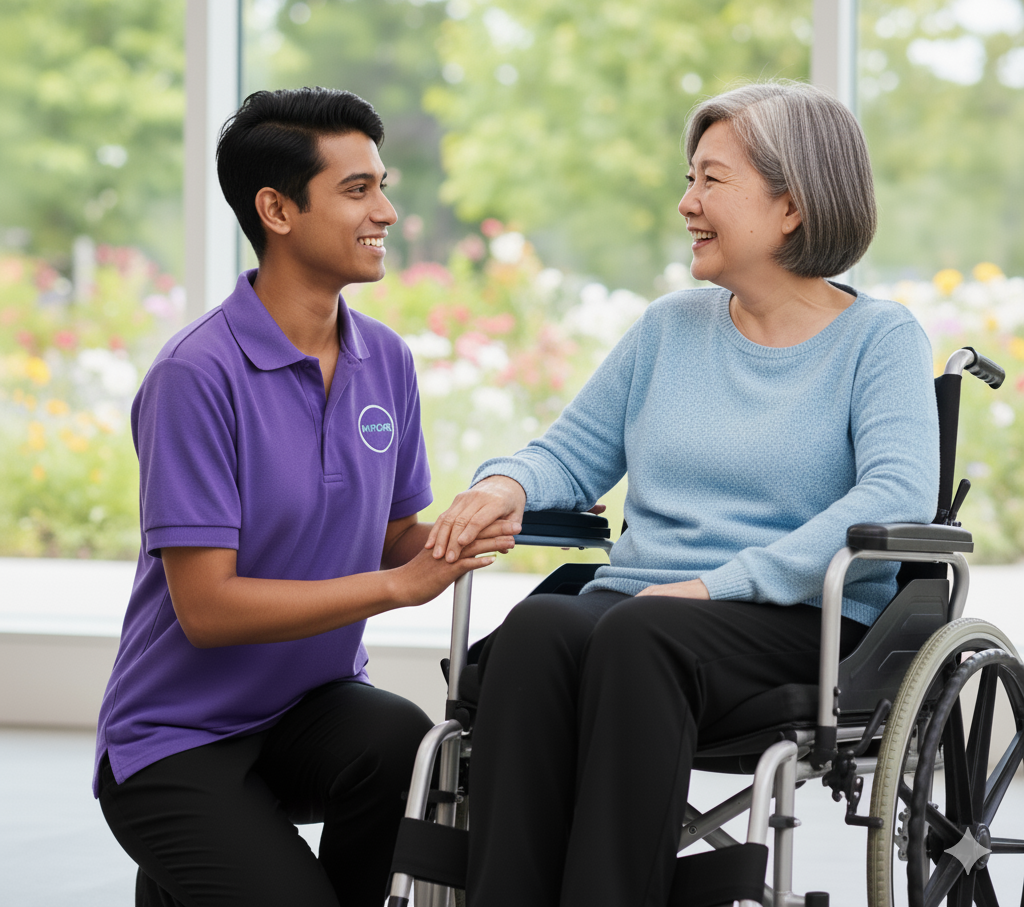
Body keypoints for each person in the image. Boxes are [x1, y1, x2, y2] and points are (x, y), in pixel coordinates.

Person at [426, 81, 941, 907]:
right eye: (689, 178)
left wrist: (716, 584)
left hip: (796, 618)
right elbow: (571, 453)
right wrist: (506, 483)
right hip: (645, 608)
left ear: (791, 207)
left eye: (711, 180)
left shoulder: (878, 339)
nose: (686, 202)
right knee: (539, 629)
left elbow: (896, 493)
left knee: (642, 635)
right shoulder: (669, 328)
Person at [93, 87, 518, 907]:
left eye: (382, 186)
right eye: (358, 190)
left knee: (400, 740)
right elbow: (206, 609)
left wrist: (473, 527)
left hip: (304, 716)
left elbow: (396, 536)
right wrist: (397, 588)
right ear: (276, 210)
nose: (386, 212)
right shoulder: (195, 375)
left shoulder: (384, 359)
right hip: (175, 741)